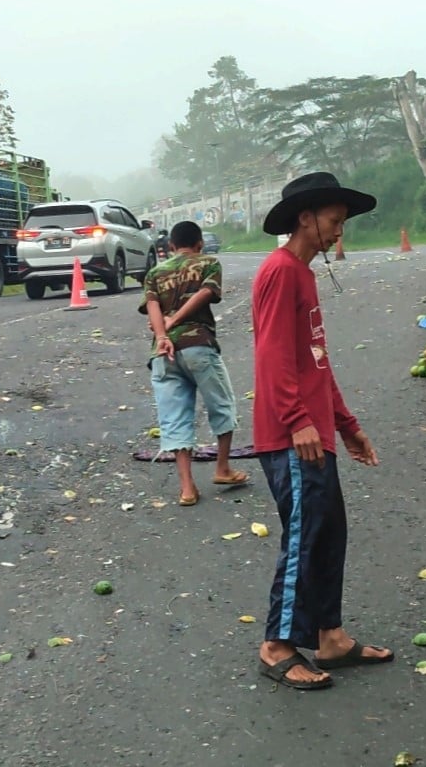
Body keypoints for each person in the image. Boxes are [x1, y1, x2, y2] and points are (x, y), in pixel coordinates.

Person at [251, 172, 392, 691]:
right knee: (305, 537)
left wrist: (345, 424)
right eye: (334, 222)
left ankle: (329, 637)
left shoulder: (305, 276)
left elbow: (315, 361)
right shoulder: (280, 271)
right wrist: (298, 420)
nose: (338, 233)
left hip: (314, 431)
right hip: (292, 435)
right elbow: (271, 356)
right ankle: (276, 645)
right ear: (305, 218)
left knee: (329, 530)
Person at [139, 220, 248, 506]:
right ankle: (222, 468)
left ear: (171, 246)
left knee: (174, 418)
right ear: (199, 243)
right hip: (198, 345)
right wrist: (177, 319)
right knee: (222, 405)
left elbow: (152, 306)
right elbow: (206, 293)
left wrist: (163, 334)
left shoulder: (154, 272)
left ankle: (187, 488)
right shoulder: (209, 262)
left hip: (163, 355)